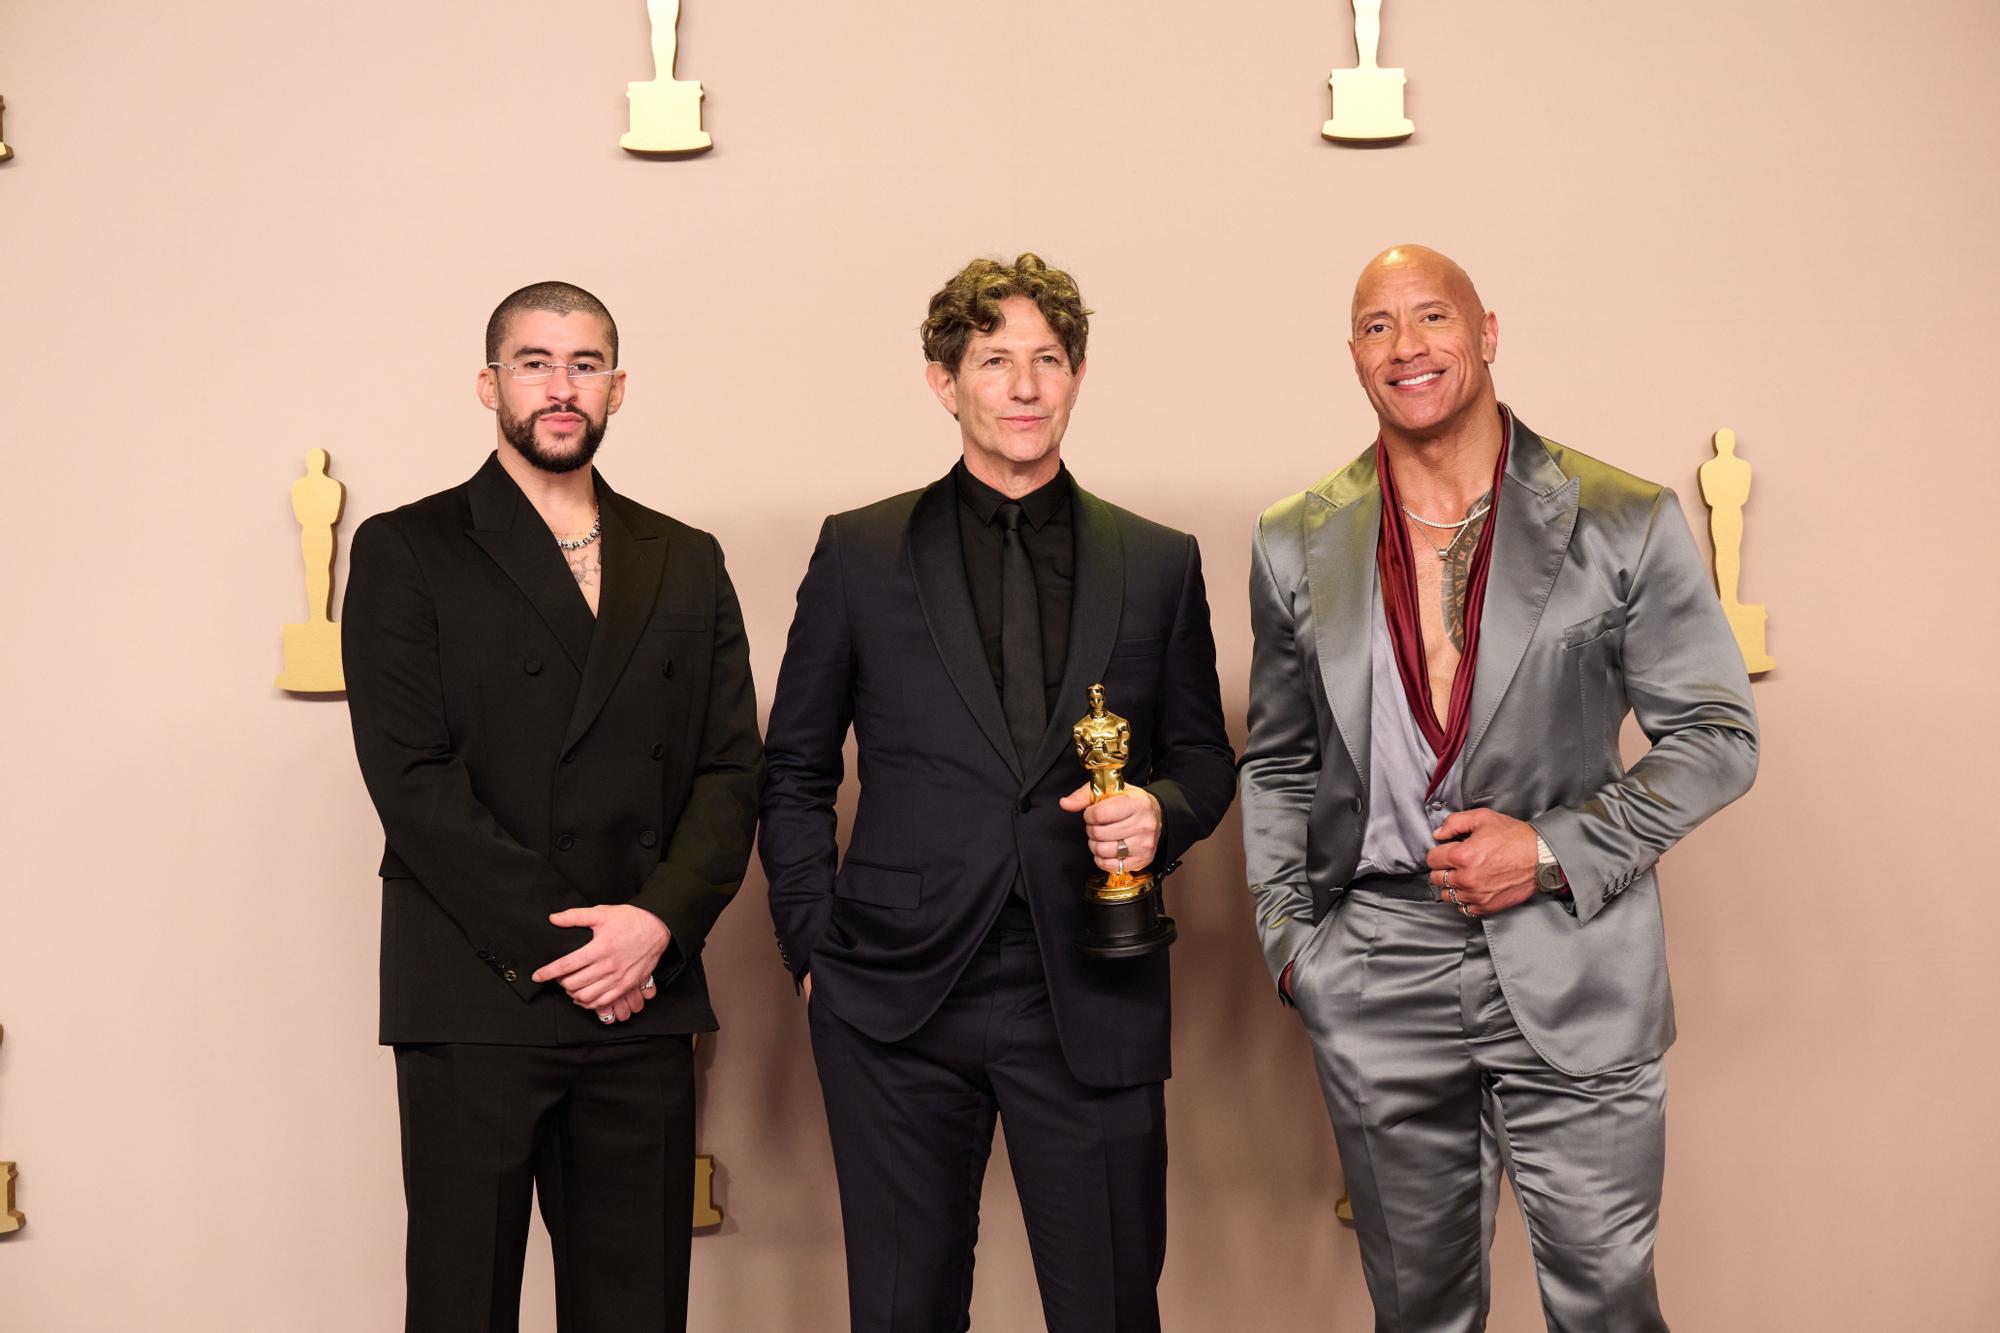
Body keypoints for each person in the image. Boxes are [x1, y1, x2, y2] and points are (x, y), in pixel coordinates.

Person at [1239, 244, 1758, 1330]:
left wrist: (1554, 847)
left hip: (1575, 957)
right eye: (1377, 327)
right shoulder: (1294, 540)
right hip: (1375, 965)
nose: (1406, 346)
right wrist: (1293, 943)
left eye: (1431, 317)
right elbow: (1280, 756)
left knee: (1605, 1304)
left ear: (1484, 331)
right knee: (1416, 1312)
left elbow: (1714, 735)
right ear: (1352, 357)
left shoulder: (1624, 517)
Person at [761, 254, 1236, 1333]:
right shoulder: (858, 550)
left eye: (1047, 359)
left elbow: (1203, 757)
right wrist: (810, 954)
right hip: (891, 993)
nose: (1023, 385)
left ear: (1074, 377)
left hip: (1091, 977)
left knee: (1110, 1312)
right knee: (899, 1310)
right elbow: (791, 766)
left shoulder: (1157, 561)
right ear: (945, 381)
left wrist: (1159, 812)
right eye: (993, 360)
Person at [341, 281, 763, 1332]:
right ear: (490, 384)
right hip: (478, 997)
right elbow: (413, 781)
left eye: (584, 363)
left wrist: (653, 927)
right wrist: (574, 949)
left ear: (616, 387)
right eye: (535, 362)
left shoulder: (687, 557)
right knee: (461, 1305)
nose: (560, 386)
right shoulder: (408, 549)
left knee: (636, 1311)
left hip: (644, 991)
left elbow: (728, 770)